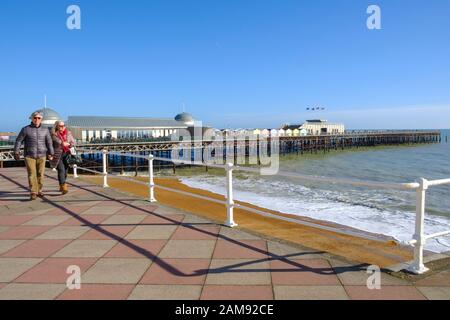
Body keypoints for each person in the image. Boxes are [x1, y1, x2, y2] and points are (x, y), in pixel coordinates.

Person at [14, 111, 54, 200]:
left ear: (41, 119)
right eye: (35, 118)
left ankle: (39, 190)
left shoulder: (45, 130)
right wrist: (16, 152)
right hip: (29, 155)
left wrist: (51, 153)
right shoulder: (25, 129)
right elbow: (18, 141)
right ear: (31, 119)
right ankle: (33, 192)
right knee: (32, 174)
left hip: (42, 155)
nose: (37, 120)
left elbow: (49, 142)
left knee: (41, 174)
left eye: (39, 118)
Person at [50, 120, 76, 195]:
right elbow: (51, 145)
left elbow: (73, 142)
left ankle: (61, 185)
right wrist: (50, 154)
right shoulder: (53, 134)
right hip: (57, 155)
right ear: (57, 126)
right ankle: (64, 186)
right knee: (61, 170)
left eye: (64, 125)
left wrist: (69, 144)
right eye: (60, 126)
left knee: (65, 171)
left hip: (67, 154)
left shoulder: (68, 133)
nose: (62, 127)